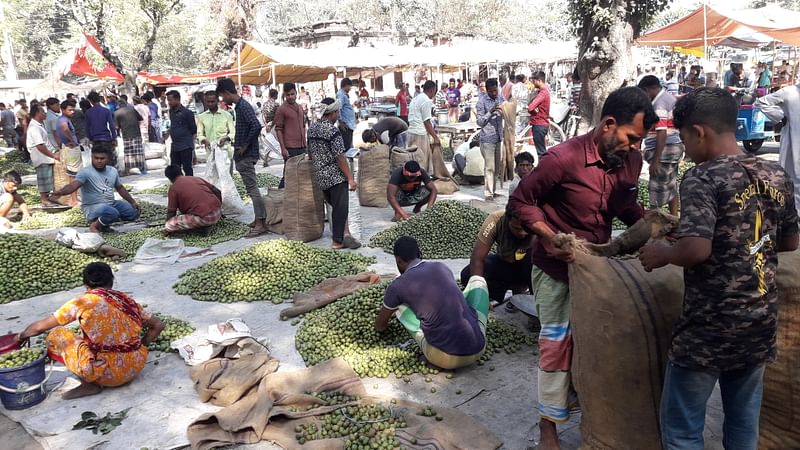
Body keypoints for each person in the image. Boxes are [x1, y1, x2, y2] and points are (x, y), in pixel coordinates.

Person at [638, 87, 799, 450]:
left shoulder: (702, 177)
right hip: (758, 323)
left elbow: (696, 249)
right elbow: (789, 242)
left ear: (699, 132)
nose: (685, 151)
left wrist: (664, 253)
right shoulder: (775, 175)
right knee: (743, 423)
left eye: (684, 139)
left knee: (682, 430)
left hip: (710, 329)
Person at [509, 86, 658, 450]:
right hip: (555, 268)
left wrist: (651, 226)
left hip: (595, 268)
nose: (635, 147)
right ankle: (548, 428)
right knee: (556, 345)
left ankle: (583, 409)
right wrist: (547, 236)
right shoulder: (563, 159)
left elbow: (624, 208)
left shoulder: (631, 162)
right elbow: (521, 202)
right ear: (609, 124)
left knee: (592, 344)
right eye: (632, 137)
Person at [14, 262, 164, 400]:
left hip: (107, 374)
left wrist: (21, 337)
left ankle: (89, 384)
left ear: (85, 284)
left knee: (57, 335)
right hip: (135, 368)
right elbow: (158, 325)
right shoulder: (127, 300)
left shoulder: (82, 302)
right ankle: (121, 360)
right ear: (111, 280)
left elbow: (39, 328)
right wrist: (140, 346)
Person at [374, 236, 488, 370]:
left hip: (442, 358)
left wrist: (380, 327)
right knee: (478, 282)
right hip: (479, 348)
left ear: (398, 260)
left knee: (398, 304)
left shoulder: (397, 285)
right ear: (419, 253)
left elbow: (380, 326)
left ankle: (433, 353)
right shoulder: (442, 267)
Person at [306, 98, 360, 249]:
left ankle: (345, 234)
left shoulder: (312, 128)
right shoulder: (332, 131)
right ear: (333, 113)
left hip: (320, 175)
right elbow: (340, 157)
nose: (338, 115)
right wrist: (350, 178)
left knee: (333, 206)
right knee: (340, 208)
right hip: (335, 176)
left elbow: (310, 153)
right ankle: (337, 241)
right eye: (337, 112)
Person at [52, 143, 140, 233]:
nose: (99, 161)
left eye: (102, 158)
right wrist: (60, 192)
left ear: (108, 158)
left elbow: (120, 188)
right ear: (91, 158)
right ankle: (94, 225)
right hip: (92, 207)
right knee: (112, 213)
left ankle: (104, 223)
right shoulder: (85, 172)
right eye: (96, 158)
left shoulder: (112, 171)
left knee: (132, 213)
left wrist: (132, 202)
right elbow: (73, 185)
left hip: (111, 204)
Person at [217, 78, 266, 237]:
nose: (223, 100)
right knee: (251, 188)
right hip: (243, 153)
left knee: (252, 189)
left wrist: (244, 145)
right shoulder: (239, 107)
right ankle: (258, 219)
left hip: (246, 154)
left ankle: (260, 222)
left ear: (226, 93)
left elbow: (256, 126)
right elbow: (246, 128)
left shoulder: (243, 106)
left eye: (222, 97)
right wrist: (231, 140)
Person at [460, 205, 535, 304]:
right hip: (506, 263)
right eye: (517, 228)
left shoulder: (539, 223)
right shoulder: (495, 220)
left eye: (526, 229)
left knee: (532, 260)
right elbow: (477, 259)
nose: (522, 233)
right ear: (508, 220)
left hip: (531, 269)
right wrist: (479, 295)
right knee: (467, 274)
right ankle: (495, 295)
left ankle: (530, 297)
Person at [638, 75, 685, 215]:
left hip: (665, 151)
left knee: (656, 189)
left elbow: (662, 133)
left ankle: (655, 226)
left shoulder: (659, 104)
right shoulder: (668, 97)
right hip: (673, 147)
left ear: (648, 89)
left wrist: (655, 161)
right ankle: (674, 217)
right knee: (671, 185)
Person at [163, 165, 222, 235]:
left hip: (205, 218)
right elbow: (218, 191)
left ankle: (202, 228)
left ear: (169, 178)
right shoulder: (196, 178)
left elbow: (171, 212)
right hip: (218, 212)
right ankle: (206, 224)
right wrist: (219, 208)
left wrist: (168, 225)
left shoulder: (173, 188)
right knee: (185, 213)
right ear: (181, 172)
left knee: (170, 224)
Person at [476, 78, 505, 201]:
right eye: (491, 91)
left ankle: (493, 190)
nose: (494, 93)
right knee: (489, 167)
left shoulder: (500, 98)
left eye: (495, 90)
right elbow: (480, 121)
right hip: (487, 139)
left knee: (497, 167)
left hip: (498, 137)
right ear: (487, 90)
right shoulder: (481, 102)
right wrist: (490, 112)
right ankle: (488, 193)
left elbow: (506, 109)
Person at [27, 104, 61, 206]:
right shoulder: (34, 128)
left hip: (44, 156)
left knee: (48, 178)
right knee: (43, 178)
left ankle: (48, 197)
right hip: (41, 156)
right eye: (43, 111)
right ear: (37, 113)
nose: (45, 113)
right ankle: (44, 199)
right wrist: (53, 155)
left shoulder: (39, 125)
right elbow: (40, 146)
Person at [275, 82, 307, 188]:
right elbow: (278, 129)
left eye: (292, 94)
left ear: (296, 93)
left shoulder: (300, 107)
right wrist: (283, 148)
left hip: (302, 146)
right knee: (288, 175)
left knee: (302, 174)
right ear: (284, 95)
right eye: (287, 95)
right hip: (290, 147)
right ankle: (279, 196)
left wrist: (306, 144)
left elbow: (303, 126)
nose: (290, 97)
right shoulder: (282, 109)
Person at [196, 91, 235, 173]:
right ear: (205, 101)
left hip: (225, 153)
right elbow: (199, 134)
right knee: (212, 180)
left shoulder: (227, 115)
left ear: (217, 101)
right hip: (210, 153)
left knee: (226, 180)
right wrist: (204, 140)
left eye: (212, 101)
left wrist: (226, 138)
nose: (210, 104)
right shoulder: (201, 117)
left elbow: (233, 133)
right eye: (208, 102)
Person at [407, 80, 441, 174]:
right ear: (432, 90)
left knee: (412, 160)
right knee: (422, 161)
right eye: (434, 91)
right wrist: (435, 137)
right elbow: (427, 122)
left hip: (411, 132)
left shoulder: (416, 98)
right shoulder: (426, 100)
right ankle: (421, 181)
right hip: (420, 134)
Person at [56, 100, 83, 206]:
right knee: (73, 175)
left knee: (72, 174)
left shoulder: (61, 119)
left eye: (73, 110)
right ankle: (74, 199)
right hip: (71, 149)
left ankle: (74, 198)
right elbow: (65, 129)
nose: (72, 112)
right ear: (63, 110)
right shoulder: (63, 120)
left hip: (67, 148)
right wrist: (72, 141)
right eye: (69, 110)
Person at [164, 90, 196, 176]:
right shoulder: (171, 112)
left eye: (170, 100)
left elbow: (193, 130)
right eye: (168, 100)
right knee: (175, 169)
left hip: (186, 145)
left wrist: (192, 146)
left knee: (187, 168)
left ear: (177, 99)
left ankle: (190, 185)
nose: (169, 102)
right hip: (175, 146)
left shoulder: (187, 113)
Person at [114, 99, 146, 176]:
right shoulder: (132, 109)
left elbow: (116, 127)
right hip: (137, 133)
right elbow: (140, 119)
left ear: (118, 105)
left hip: (126, 135)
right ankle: (141, 168)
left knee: (128, 153)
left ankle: (128, 170)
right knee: (138, 151)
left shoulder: (116, 113)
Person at [85, 91, 118, 164]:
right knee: (109, 160)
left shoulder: (88, 112)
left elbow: (87, 127)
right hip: (106, 138)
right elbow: (111, 125)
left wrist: (90, 138)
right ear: (99, 99)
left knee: (98, 161)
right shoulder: (106, 111)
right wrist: (114, 138)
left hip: (95, 140)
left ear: (90, 101)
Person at [528, 71, 551, 156]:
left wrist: (533, 109)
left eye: (534, 81)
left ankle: (544, 168)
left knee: (541, 152)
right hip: (541, 123)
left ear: (538, 80)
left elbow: (530, 107)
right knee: (541, 150)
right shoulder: (543, 91)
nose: (533, 83)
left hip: (539, 124)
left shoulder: (543, 92)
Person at [336, 78, 356, 150]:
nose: (350, 89)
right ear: (346, 85)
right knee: (346, 145)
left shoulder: (344, 95)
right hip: (345, 124)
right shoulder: (341, 94)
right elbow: (338, 108)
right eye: (349, 87)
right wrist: (341, 122)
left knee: (348, 144)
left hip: (348, 124)